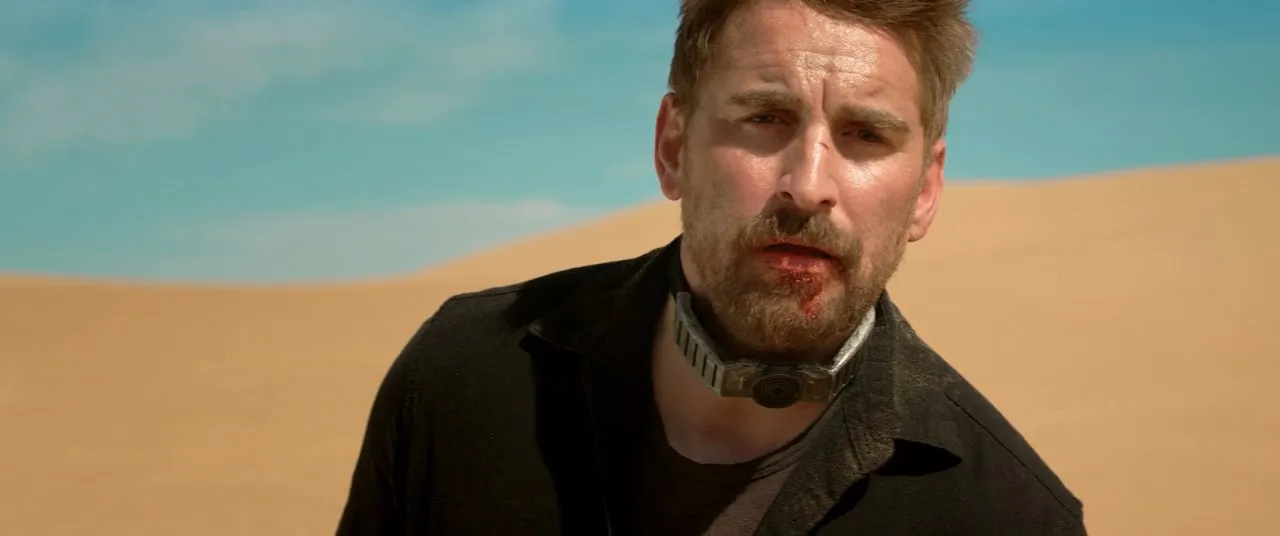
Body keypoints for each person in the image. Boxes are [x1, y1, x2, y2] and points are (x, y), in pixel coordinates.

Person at [334, 0, 1086, 534]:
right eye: (765, 118)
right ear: (673, 148)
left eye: (865, 134)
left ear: (924, 191)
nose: (808, 185)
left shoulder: (1009, 514)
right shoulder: (459, 376)